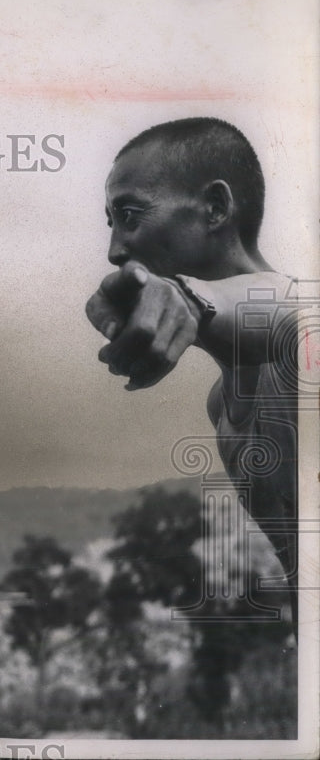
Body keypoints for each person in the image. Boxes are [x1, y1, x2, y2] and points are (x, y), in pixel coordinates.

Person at [86, 117, 299, 623]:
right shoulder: (223, 407)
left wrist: (186, 296)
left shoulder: (303, 330)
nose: (114, 250)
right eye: (111, 222)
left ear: (216, 207)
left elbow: (289, 312)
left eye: (130, 215)